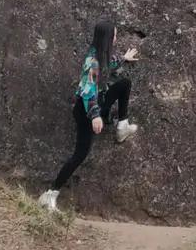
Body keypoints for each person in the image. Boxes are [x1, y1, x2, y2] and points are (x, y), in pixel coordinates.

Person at [38, 21, 140, 211]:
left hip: (98, 105)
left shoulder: (102, 55)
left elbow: (108, 64)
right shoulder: (91, 61)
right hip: (86, 113)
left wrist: (124, 58)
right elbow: (88, 91)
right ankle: (50, 194)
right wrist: (94, 116)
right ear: (108, 38)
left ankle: (122, 126)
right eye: (114, 35)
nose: (116, 38)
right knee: (80, 154)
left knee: (124, 83)